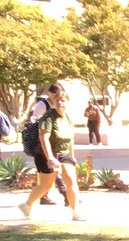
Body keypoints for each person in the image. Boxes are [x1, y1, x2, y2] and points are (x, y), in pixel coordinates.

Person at [18, 90, 82, 221]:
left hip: (64, 153)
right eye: (57, 100)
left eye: (63, 100)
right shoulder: (48, 117)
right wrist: (50, 158)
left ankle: (76, 212)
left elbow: (71, 138)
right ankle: (27, 205)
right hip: (45, 154)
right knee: (45, 185)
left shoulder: (68, 117)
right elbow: (44, 138)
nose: (60, 102)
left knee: (71, 179)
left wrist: (73, 155)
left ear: (68, 102)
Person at [22, 84, 69, 206]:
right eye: (56, 94)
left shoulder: (60, 106)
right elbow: (35, 122)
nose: (58, 98)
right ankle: (66, 195)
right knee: (53, 170)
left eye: (61, 95)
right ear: (50, 93)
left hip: (56, 144)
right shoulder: (43, 105)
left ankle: (47, 196)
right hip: (43, 144)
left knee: (54, 171)